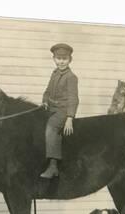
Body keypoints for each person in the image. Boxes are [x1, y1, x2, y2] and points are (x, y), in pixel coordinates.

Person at [40, 43, 79, 178]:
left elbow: (73, 99)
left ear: (70, 60)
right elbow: (47, 91)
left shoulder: (71, 77)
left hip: (62, 110)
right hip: (51, 108)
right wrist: (44, 101)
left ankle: (53, 166)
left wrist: (69, 118)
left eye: (65, 58)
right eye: (58, 58)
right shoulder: (55, 74)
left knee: (51, 128)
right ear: (54, 59)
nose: (61, 61)